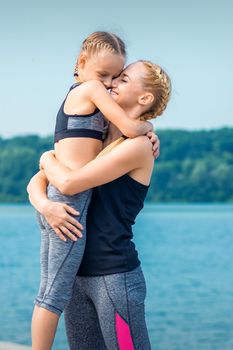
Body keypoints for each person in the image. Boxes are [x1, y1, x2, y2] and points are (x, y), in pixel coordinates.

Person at [28, 59, 171, 349]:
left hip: (115, 278)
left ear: (145, 98)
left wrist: (46, 159)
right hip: (77, 277)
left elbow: (68, 183)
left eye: (124, 79)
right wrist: (47, 206)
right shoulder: (96, 135)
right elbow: (35, 184)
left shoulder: (139, 146)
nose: (112, 83)